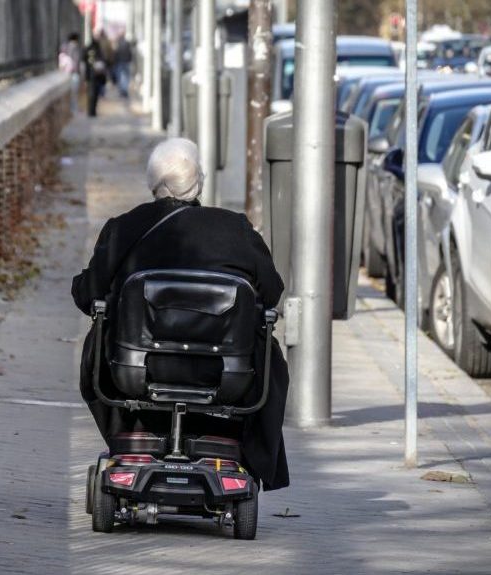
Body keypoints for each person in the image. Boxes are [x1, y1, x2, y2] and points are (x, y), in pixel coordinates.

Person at [72, 138, 291, 492]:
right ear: (199, 181)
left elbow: (86, 296)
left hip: (136, 370)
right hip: (225, 375)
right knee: (269, 349)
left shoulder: (124, 228)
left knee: (99, 337)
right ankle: (240, 448)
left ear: (152, 182)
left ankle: (133, 432)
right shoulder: (236, 229)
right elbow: (273, 292)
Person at [83, 34, 107, 117]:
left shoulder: (87, 49)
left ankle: (91, 110)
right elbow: (103, 61)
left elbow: (84, 59)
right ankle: (92, 111)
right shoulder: (98, 49)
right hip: (96, 76)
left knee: (91, 93)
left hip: (90, 75)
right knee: (95, 93)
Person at [59, 33, 81, 114]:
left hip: (66, 72)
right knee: (74, 92)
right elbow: (76, 61)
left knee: (71, 92)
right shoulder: (74, 48)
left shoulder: (64, 47)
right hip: (73, 72)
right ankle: (73, 109)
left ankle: (71, 109)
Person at [113, 33, 133, 99]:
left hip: (120, 62)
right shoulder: (127, 43)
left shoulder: (118, 44)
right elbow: (130, 53)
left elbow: (116, 53)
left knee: (121, 77)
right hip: (126, 62)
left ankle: (123, 91)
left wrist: (115, 61)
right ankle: (124, 90)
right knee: (126, 77)